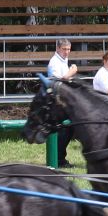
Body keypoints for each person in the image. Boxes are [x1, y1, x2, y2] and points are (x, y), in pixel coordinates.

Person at [46, 38, 81, 166]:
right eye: (64, 49)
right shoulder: (54, 62)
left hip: (63, 99)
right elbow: (60, 81)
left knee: (68, 129)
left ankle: (60, 158)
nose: (67, 52)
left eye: (68, 49)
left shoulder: (62, 60)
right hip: (57, 101)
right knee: (64, 130)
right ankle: (59, 159)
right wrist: (72, 71)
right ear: (58, 49)